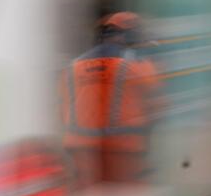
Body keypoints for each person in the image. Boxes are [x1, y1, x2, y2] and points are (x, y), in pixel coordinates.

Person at [60, 11, 159, 186]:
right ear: (129, 36)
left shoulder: (72, 67)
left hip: (80, 151)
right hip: (123, 151)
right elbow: (155, 95)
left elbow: (63, 105)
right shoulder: (135, 66)